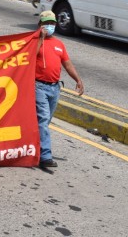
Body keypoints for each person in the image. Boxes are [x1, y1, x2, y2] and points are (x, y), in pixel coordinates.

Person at [35, 10, 84, 169]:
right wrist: (40, 39)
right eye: (46, 23)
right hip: (38, 86)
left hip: (54, 88)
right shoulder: (34, 40)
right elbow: (29, 57)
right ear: (40, 25)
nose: (49, 26)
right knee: (43, 119)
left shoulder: (59, 44)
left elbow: (67, 64)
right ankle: (45, 156)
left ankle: (34, 147)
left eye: (52, 23)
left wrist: (77, 79)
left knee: (45, 122)